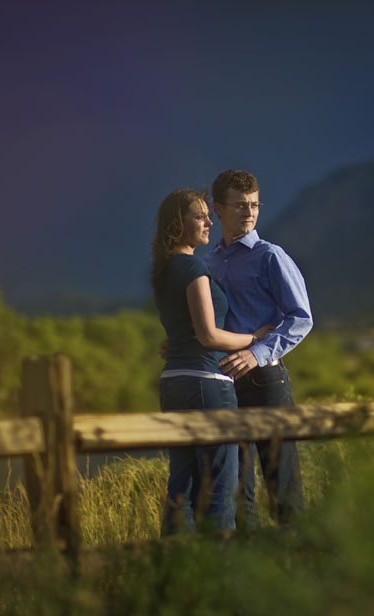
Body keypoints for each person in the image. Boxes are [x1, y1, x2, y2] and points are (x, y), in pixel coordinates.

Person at [151, 187, 272, 534]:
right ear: (178, 223)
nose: (208, 221)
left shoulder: (165, 269)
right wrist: (255, 338)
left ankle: (177, 571)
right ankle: (219, 572)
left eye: (208, 214)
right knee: (219, 488)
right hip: (207, 385)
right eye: (200, 216)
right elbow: (208, 336)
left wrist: (175, 342)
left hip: (173, 383)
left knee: (182, 487)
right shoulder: (192, 268)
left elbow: (184, 329)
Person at [206, 169, 313, 527]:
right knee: (236, 491)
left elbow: (301, 318)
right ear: (218, 208)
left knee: (283, 486)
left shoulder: (271, 256)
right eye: (240, 205)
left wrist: (258, 352)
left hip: (267, 381)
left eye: (254, 205)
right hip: (224, 384)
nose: (249, 212)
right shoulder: (209, 264)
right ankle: (250, 572)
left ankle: (296, 564)